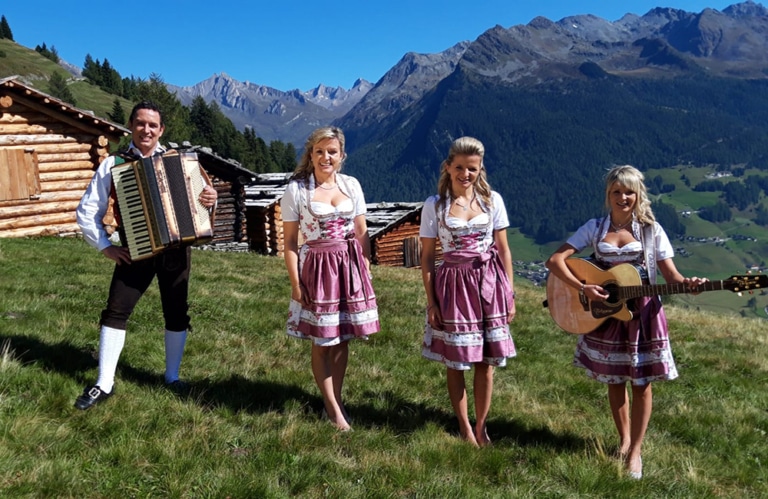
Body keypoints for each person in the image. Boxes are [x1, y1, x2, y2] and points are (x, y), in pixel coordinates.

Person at [545, 165, 707, 479]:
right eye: (617, 192)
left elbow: (671, 276)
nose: (623, 198)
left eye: (629, 192)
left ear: (638, 194)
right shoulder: (594, 227)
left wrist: (689, 283)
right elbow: (555, 261)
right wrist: (583, 287)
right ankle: (623, 439)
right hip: (607, 313)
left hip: (643, 314)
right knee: (614, 380)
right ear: (609, 194)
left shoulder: (651, 230)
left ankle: (635, 452)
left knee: (642, 383)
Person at [74, 101, 218, 410]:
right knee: (116, 310)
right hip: (134, 250)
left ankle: (172, 377)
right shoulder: (114, 164)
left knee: (177, 313)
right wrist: (105, 246)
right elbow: (88, 210)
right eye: (140, 123)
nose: (146, 129)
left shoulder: (181, 161)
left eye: (153, 125)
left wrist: (212, 198)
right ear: (131, 126)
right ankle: (104, 382)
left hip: (177, 250)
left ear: (161, 130)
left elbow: (204, 201)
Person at [420, 136, 516, 447]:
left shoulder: (493, 200)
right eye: (459, 167)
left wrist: (509, 292)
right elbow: (426, 258)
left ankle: (482, 425)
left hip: (489, 282)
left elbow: (503, 249)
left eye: (472, 169)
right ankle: (463, 425)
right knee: (457, 360)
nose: (465, 174)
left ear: (480, 169)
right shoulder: (435, 206)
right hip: (453, 286)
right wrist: (431, 301)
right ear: (448, 167)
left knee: (486, 362)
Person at [281, 126, 379, 432]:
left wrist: (365, 268)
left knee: (342, 338)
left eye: (332, 152)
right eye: (319, 151)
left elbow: (362, 232)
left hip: (349, 267)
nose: (326, 157)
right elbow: (289, 243)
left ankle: (334, 400)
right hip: (317, 267)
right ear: (310, 154)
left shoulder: (351, 185)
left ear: (342, 156)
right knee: (323, 340)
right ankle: (333, 409)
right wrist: (296, 283)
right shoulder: (297, 189)